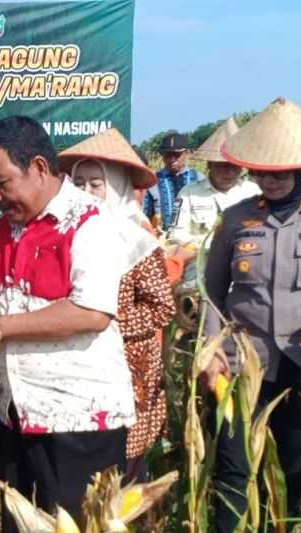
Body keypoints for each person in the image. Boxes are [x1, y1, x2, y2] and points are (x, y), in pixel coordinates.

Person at [0, 116, 136, 528]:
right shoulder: (7, 226)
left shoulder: (90, 222)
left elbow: (91, 312)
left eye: (3, 182)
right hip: (18, 414)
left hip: (78, 420)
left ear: (40, 167)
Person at [203, 97, 301, 532]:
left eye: (279, 174)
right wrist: (211, 350)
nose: (269, 181)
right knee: (233, 467)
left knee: (291, 469)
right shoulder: (235, 219)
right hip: (241, 361)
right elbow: (212, 290)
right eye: (261, 173)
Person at [60, 128, 175, 481]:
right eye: (78, 182)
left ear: (118, 187)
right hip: (78, 363)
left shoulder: (136, 241)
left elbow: (161, 308)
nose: (86, 192)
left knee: (123, 471)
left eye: (96, 183)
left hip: (130, 369)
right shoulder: (64, 234)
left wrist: (106, 321)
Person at [168, 118, 261, 287]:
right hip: (199, 270)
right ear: (210, 164)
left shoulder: (254, 192)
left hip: (244, 270)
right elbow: (176, 233)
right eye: (222, 165)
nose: (229, 171)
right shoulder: (188, 193)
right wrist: (212, 246)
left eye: (234, 165)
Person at [143, 132, 206, 231]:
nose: (172, 159)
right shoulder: (152, 181)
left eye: (177, 155)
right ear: (162, 156)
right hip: (162, 239)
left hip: (193, 239)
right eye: (168, 155)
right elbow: (145, 215)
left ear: (186, 153)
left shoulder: (199, 178)